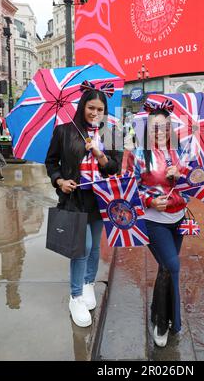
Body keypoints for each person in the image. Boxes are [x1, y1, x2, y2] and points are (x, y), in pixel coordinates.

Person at [45, 81, 122, 328]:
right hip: (74, 197)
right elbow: (51, 162)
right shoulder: (64, 131)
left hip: (101, 198)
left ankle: (89, 282)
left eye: (100, 109)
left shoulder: (113, 132)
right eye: (91, 107)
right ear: (82, 106)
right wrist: (59, 181)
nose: (95, 113)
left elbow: (115, 168)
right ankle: (76, 295)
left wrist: (100, 154)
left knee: (95, 245)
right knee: (82, 246)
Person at [127, 100, 191, 348]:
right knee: (173, 266)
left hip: (179, 218)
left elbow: (194, 181)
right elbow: (129, 189)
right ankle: (165, 322)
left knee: (165, 268)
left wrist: (182, 174)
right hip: (154, 222)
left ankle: (157, 309)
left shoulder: (180, 150)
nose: (160, 131)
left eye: (164, 126)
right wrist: (150, 201)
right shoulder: (138, 153)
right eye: (155, 127)